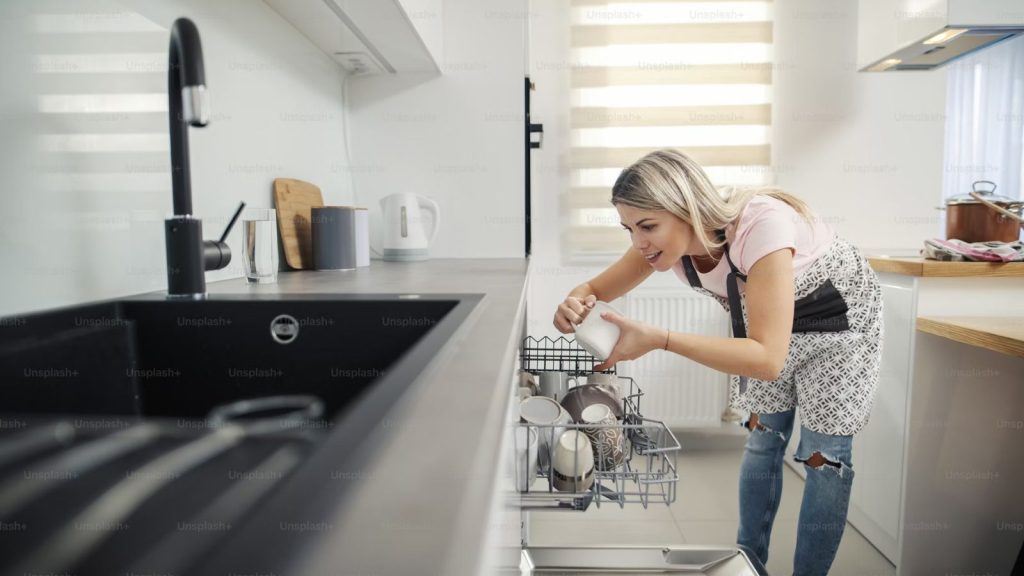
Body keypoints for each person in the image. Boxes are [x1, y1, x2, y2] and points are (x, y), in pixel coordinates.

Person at [553, 149, 883, 575]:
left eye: (648, 226)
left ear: (684, 208)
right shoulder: (657, 245)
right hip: (769, 323)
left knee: (823, 457)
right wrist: (572, 305)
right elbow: (594, 288)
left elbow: (766, 360)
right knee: (763, 439)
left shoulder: (762, 226)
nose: (638, 242)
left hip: (839, 324)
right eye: (629, 228)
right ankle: (749, 565)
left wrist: (660, 338)